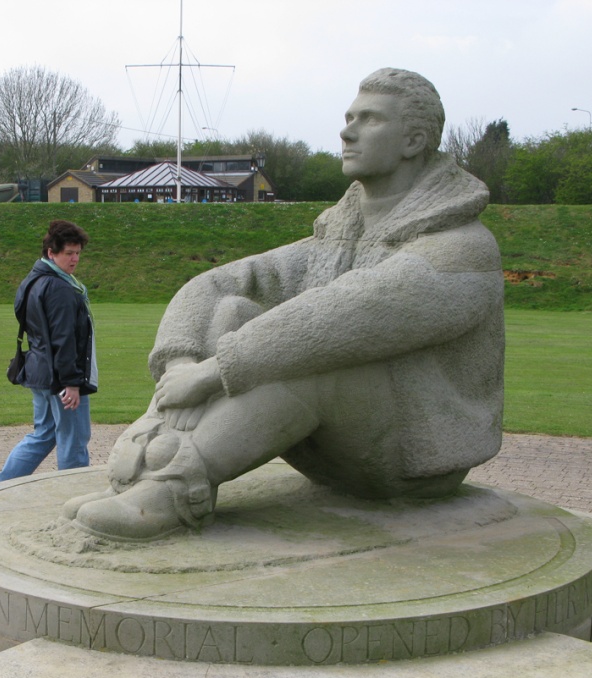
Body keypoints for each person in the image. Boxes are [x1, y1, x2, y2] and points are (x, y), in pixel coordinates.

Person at [63, 68, 504, 541]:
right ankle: (142, 476)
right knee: (233, 310)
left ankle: (173, 489)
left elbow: (349, 313)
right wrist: (181, 361)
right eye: (349, 116)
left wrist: (214, 373)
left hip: (409, 462)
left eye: (368, 120)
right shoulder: (338, 234)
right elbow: (218, 283)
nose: (346, 131)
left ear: (414, 141)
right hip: (338, 451)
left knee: (317, 352)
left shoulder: (462, 249)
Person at [0, 220, 97, 484]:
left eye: (78, 253)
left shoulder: (32, 280)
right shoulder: (60, 288)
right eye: (68, 253)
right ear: (52, 252)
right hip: (60, 378)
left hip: (39, 371)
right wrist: (71, 383)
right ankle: (74, 493)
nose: (75, 259)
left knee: (44, 434)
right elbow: (63, 339)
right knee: (73, 439)